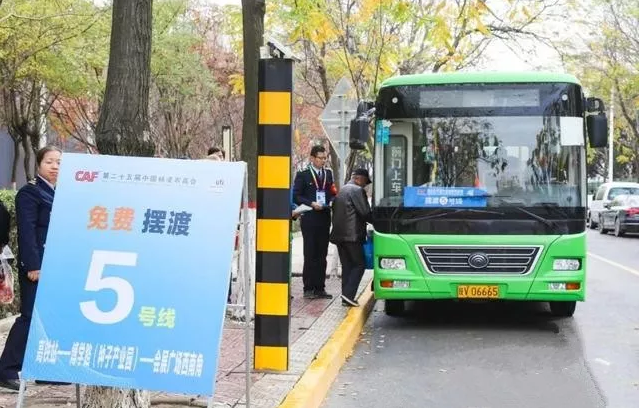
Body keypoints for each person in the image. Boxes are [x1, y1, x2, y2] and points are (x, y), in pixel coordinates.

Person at [0, 145, 65, 391]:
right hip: (37, 266)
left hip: (56, 264)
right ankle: (6, 369)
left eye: (59, 162)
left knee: (49, 316)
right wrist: (33, 265)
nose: (55, 166)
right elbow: (27, 232)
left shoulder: (60, 193)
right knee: (29, 317)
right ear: (39, 164)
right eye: (50, 162)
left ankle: (45, 369)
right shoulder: (29, 192)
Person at [292, 145, 335, 299]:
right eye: (320, 158)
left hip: (324, 217)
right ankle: (308, 288)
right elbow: (296, 196)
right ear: (312, 158)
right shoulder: (303, 175)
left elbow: (332, 192)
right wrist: (311, 203)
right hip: (310, 218)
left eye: (325, 158)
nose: (323, 161)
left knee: (322, 254)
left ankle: (320, 287)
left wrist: (332, 200)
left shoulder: (328, 174)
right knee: (310, 253)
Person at [329, 168, 373, 306]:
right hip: (352, 236)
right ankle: (348, 295)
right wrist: (380, 222)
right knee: (359, 264)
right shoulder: (357, 190)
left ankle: (346, 298)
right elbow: (365, 212)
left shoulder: (342, 190)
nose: (365, 186)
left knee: (347, 266)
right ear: (359, 179)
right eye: (365, 182)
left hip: (339, 236)